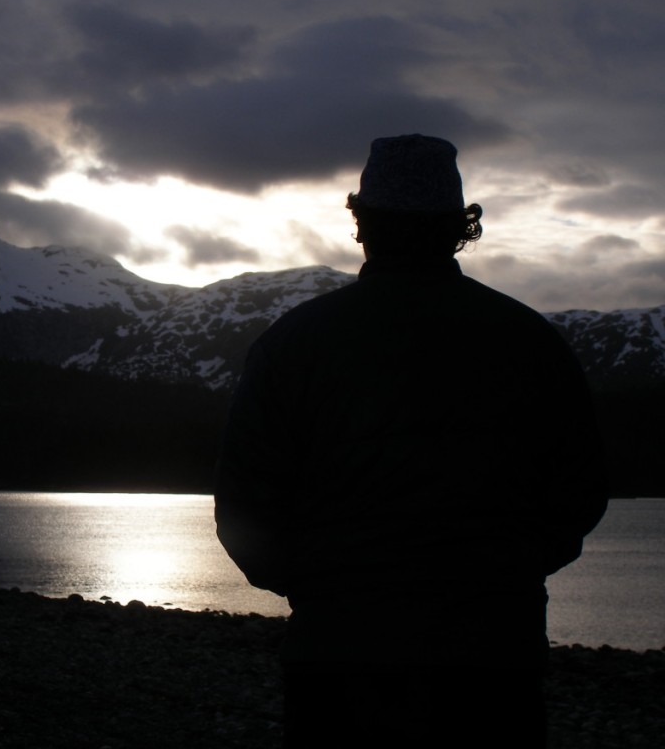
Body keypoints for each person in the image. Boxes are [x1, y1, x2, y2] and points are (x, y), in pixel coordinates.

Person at [214, 134, 608, 748]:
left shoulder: (294, 344)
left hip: (339, 652)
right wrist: (507, 572)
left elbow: (243, 500)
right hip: (493, 656)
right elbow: (580, 492)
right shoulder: (530, 342)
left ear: (362, 223)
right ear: (458, 227)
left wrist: (314, 585)